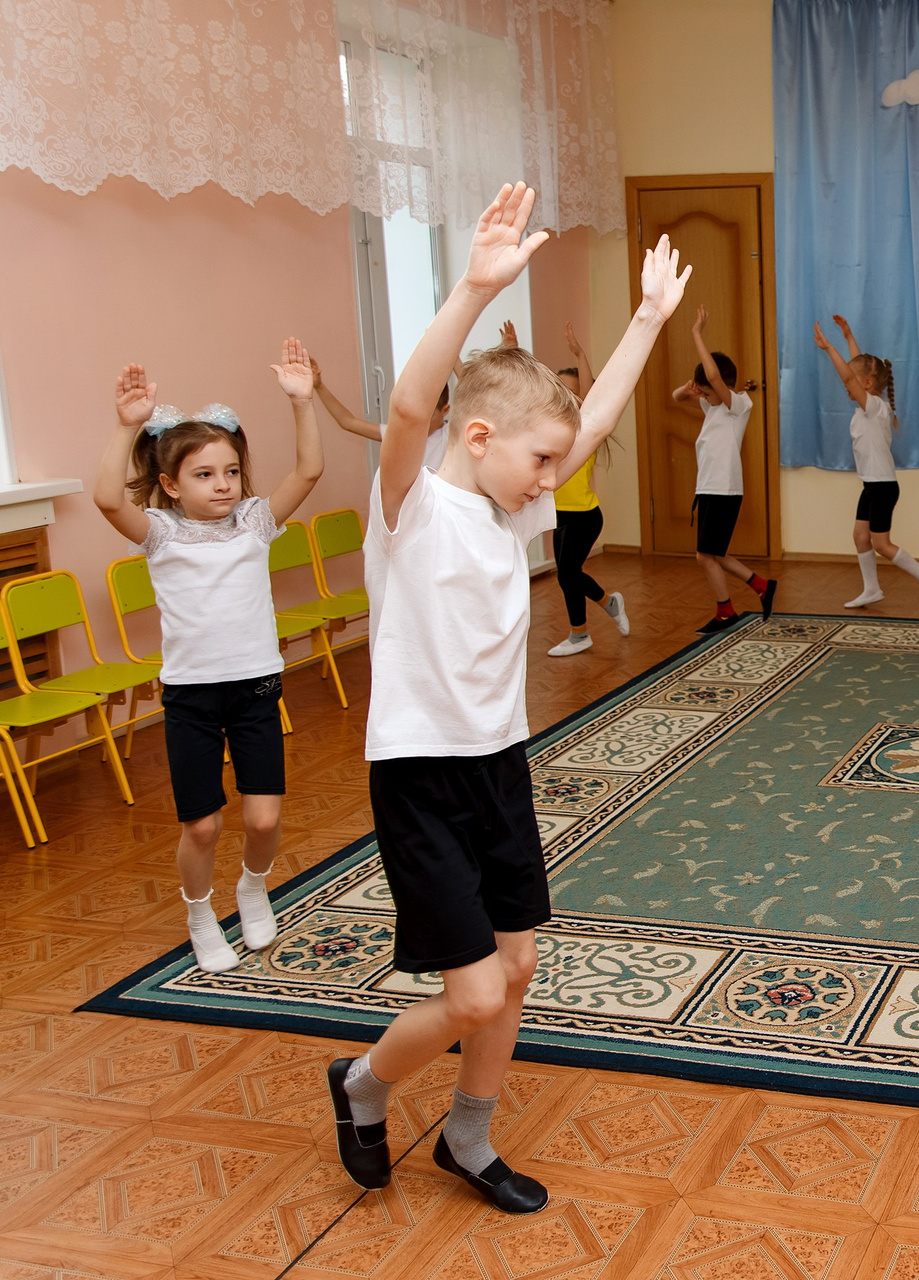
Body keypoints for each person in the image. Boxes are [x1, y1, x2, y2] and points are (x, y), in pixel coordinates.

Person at [324, 183, 690, 1212]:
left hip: (498, 764)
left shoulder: (506, 514)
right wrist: (474, 290)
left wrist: (647, 320)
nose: (551, 480)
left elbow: (592, 420)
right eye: (540, 460)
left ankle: (468, 1135)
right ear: (478, 435)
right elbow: (410, 409)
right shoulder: (411, 506)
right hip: (420, 775)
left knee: (516, 968)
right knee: (473, 991)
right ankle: (362, 1084)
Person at [92, 342, 325, 973]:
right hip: (191, 696)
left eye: (231, 471)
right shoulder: (160, 532)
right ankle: (200, 914)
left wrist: (302, 403)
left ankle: (253, 886)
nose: (222, 484)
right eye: (203, 475)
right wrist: (125, 425)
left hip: (256, 688)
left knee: (263, 818)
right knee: (202, 826)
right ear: (170, 485)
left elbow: (308, 472)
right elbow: (108, 500)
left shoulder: (254, 522)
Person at [812, 314, 919, 609]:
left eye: (853, 381)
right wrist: (848, 336)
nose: (846, 385)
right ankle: (872, 589)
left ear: (867, 384)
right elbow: (857, 369)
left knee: (881, 543)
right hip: (872, 485)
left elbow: (849, 376)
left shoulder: (874, 408)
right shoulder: (867, 406)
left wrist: (829, 348)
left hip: (882, 486)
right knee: (861, 537)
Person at [672, 305, 775, 632]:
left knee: (705, 556)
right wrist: (689, 390)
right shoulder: (713, 406)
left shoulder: (738, 404)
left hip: (723, 490)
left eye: (707, 392)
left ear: (723, 387)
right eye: (703, 392)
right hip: (709, 489)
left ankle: (726, 612)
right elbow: (677, 398)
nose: (704, 396)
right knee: (714, 554)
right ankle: (761, 585)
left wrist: (696, 333)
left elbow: (714, 378)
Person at [547, 321, 629, 656]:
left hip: (584, 516)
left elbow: (590, 397)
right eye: (559, 390)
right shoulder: (549, 429)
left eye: (572, 390)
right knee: (567, 575)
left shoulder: (586, 431)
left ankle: (581, 634)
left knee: (568, 573)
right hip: (557, 513)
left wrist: (580, 355)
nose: (565, 396)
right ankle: (607, 606)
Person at [309, 356, 451, 470]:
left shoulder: (450, 435)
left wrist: (452, 353)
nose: (418, 419)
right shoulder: (401, 433)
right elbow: (347, 422)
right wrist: (319, 386)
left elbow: (465, 384)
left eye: (427, 414)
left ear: (444, 410)